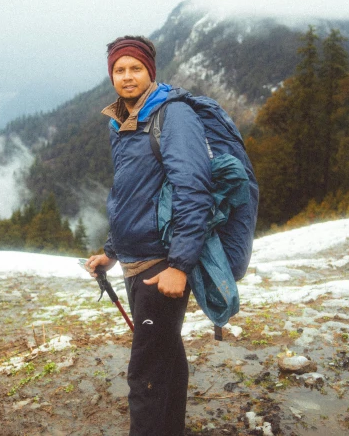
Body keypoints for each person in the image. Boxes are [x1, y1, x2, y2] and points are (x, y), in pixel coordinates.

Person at [85, 35, 213, 436]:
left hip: (162, 264)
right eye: (119, 70)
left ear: (150, 71)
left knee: (145, 375)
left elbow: (194, 190)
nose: (127, 77)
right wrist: (111, 252)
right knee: (165, 357)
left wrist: (180, 265)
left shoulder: (172, 115)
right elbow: (129, 194)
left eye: (135, 68)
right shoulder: (120, 120)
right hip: (137, 259)